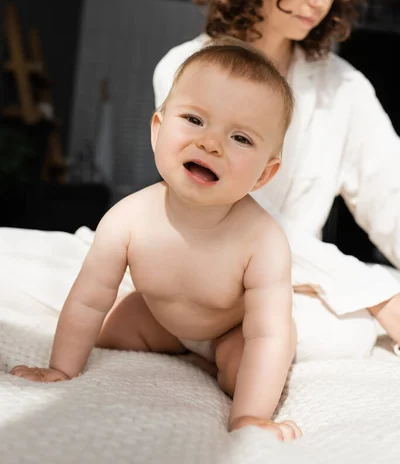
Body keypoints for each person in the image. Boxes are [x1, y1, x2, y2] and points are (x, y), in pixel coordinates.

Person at [153, 0, 400, 361]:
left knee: (341, 334)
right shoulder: (186, 69)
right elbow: (233, 212)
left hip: (294, 285)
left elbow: (391, 193)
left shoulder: (343, 87)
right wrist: (375, 291)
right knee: (345, 328)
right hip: (207, 275)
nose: (320, 0)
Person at [11, 39, 302, 441]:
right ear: (157, 130)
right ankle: (178, 352)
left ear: (264, 176)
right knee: (99, 330)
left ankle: (226, 379)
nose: (211, 143)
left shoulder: (263, 241)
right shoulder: (128, 218)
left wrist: (248, 418)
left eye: (241, 138)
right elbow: (89, 299)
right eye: (195, 120)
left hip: (229, 331)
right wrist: (61, 369)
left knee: (252, 364)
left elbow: (266, 332)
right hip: (159, 318)